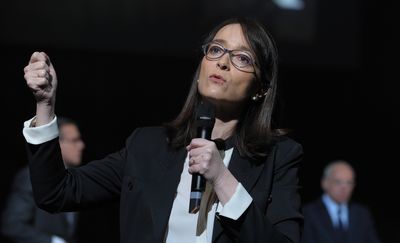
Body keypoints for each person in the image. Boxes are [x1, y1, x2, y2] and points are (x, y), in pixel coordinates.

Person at [21, 18, 304, 243]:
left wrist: (222, 179)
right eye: (216, 50)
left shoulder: (279, 157)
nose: (223, 62)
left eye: (242, 57)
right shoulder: (148, 145)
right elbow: (56, 193)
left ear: (261, 88)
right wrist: (45, 105)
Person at [2, 117, 85, 243]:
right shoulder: (31, 177)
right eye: (74, 140)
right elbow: (12, 224)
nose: (81, 145)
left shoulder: (76, 177)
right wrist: (52, 241)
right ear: (58, 144)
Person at [301, 160, 381, 243]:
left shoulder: (362, 214)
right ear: (325, 183)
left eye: (349, 182)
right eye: (338, 182)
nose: (344, 187)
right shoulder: (307, 214)